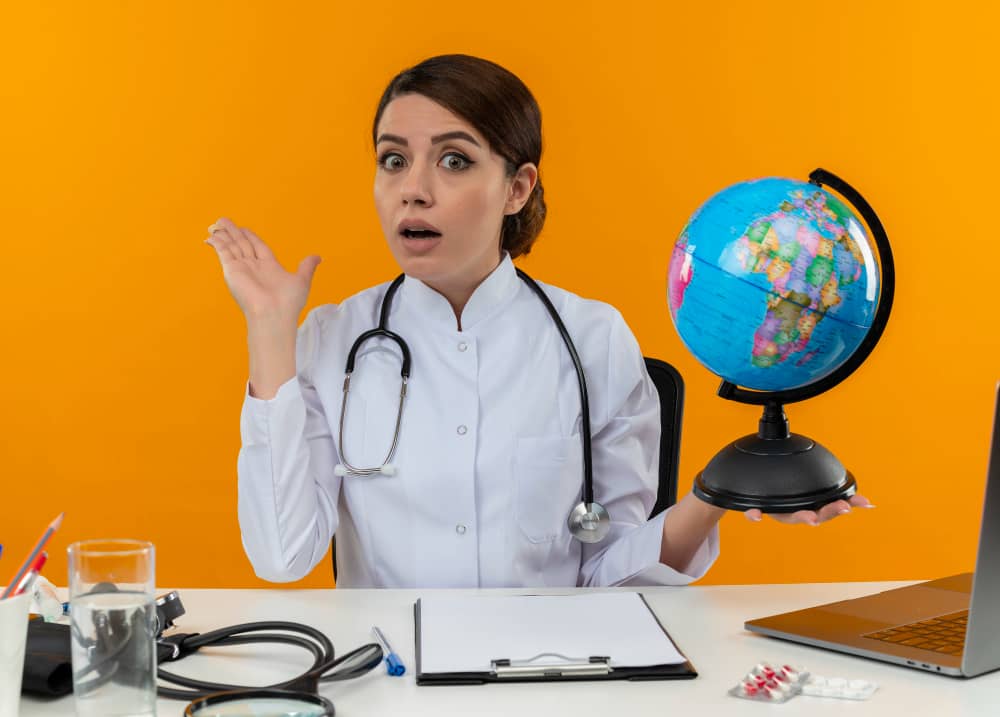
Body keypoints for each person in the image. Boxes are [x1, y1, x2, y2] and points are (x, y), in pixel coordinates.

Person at [205, 54, 869, 588]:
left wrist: (716, 492)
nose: (414, 187)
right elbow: (282, 556)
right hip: (390, 680)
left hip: (546, 675)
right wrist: (270, 334)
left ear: (517, 188)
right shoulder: (331, 340)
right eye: (393, 158)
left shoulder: (593, 340)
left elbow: (610, 569)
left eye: (454, 159)